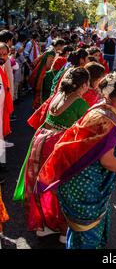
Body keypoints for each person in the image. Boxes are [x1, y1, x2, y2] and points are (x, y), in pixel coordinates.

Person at [37, 71, 116, 249]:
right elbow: (106, 160)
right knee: (87, 241)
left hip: (81, 182)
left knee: (81, 236)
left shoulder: (102, 108)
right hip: (86, 187)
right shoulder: (107, 118)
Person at [14, 68, 90, 244]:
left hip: (40, 141)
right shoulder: (80, 103)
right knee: (62, 186)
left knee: (40, 184)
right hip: (58, 145)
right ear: (84, 84)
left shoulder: (57, 95)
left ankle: (43, 225)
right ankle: (63, 229)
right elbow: (87, 130)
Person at [0, 43, 14, 174]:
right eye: (0, 54)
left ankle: (1, 164)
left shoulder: (3, 68)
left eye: (5, 55)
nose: (3, 57)